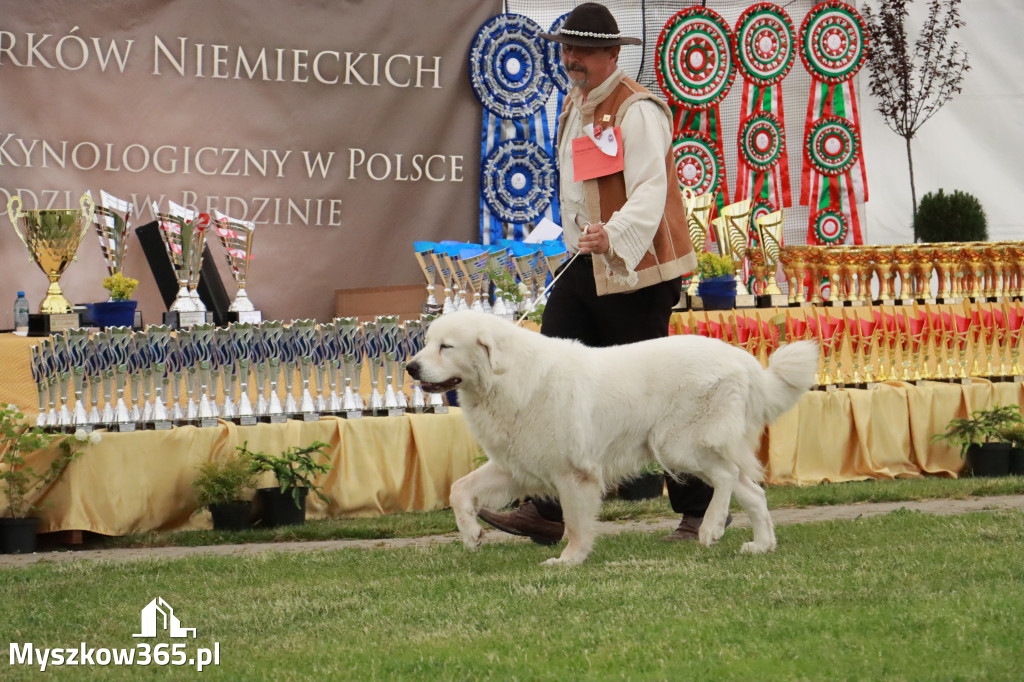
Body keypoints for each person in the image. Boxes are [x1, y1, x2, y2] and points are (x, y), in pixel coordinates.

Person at [477, 2, 727, 545]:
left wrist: (612, 234)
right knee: (551, 381)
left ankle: (702, 509)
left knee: (655, 389)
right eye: (567, 49)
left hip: (637, 270)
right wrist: (573, 237)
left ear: (613, 54)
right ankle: (545, 508)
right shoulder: (576, 104)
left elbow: (650, 192)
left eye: (583, 51)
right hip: (585, 263)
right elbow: (577, 187)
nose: (571, 59)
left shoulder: (638, 111)